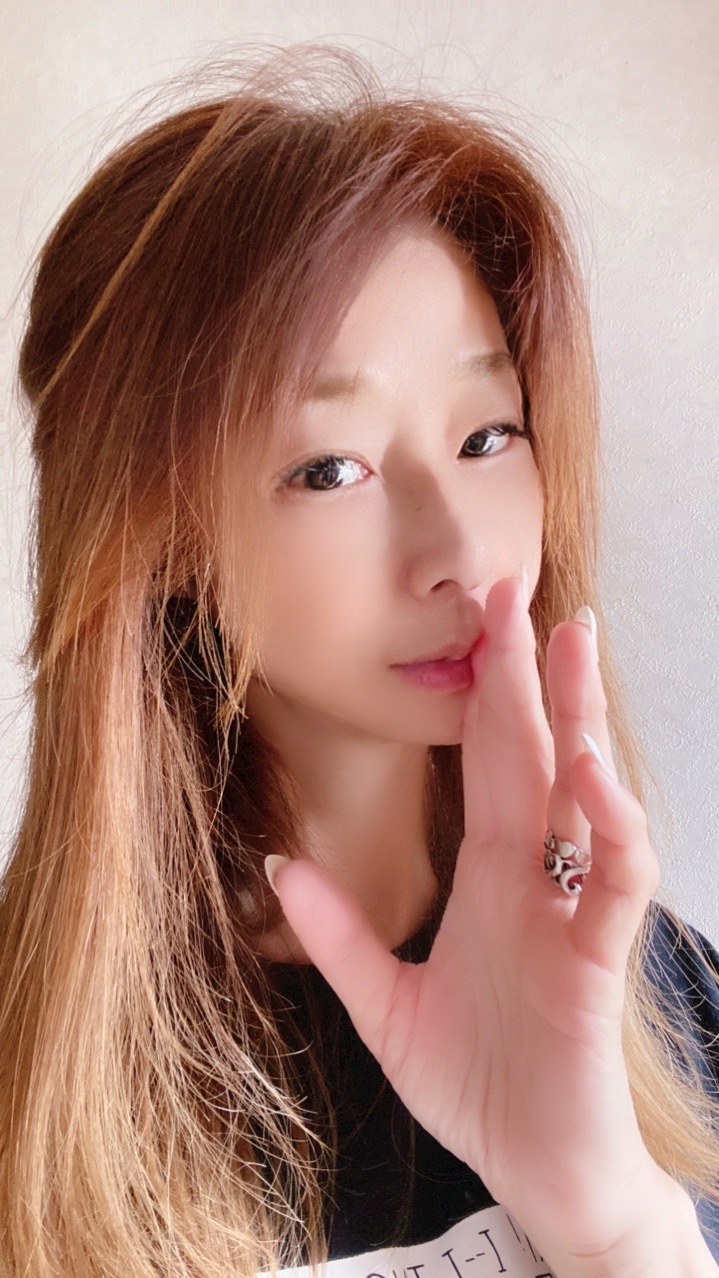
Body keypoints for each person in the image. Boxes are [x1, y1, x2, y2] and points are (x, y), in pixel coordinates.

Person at [1, 44, 718, 1278]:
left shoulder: (661, 996)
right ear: (158, 533)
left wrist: (609, 1223)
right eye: (330, 468)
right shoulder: (35, 1079)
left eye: (488, 436)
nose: (460, 553)